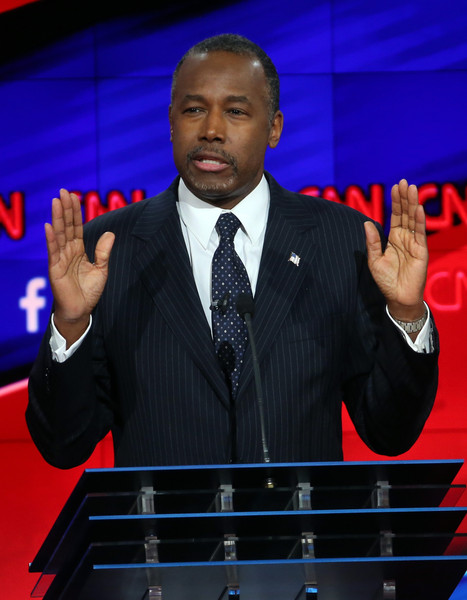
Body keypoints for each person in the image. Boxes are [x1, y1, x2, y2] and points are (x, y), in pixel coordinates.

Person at [26, 34, 438, 469]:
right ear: (170, 122)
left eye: (236, 111)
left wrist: (408, 314)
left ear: (274, 127)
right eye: (194, 110)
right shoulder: (107, 250)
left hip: (297, 535)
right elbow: (63, 445)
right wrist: (71, 324)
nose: (211, 130)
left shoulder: (344, 241)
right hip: (162, 535)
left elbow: (389, 434)